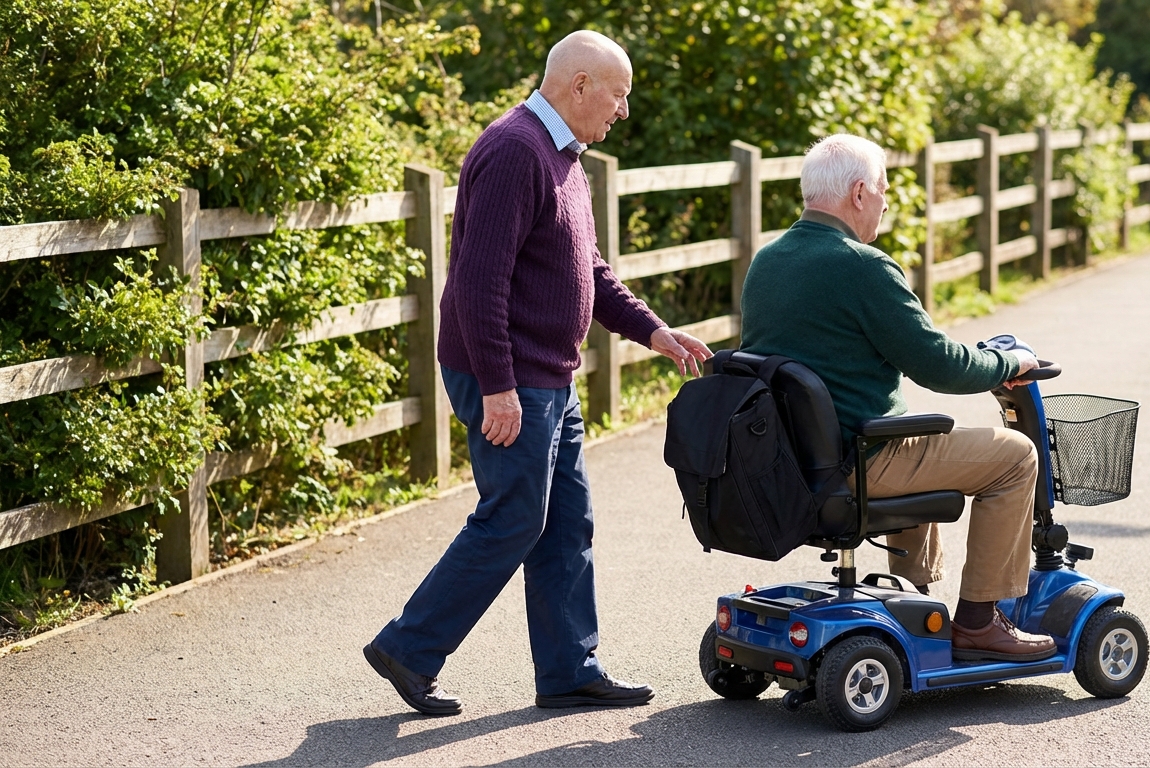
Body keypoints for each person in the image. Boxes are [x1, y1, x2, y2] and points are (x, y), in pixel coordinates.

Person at [364, 30, 713, 716]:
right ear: (579, 85)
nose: (622, 111)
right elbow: (477, 283)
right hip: (509, 377)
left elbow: (588, 270)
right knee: (515, 517)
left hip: (549, 376)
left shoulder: (563, 157)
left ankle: (567, 670)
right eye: (618, 95)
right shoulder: (513, 150)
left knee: (565, 523)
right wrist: (498, 386)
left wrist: (653, 330)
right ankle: (409, 647)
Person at [738, 134, 1056, 661]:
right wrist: (1008, 364)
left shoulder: (767, 262)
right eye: (884, 190)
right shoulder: (864, 267)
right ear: (860, 193)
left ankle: (914, 606)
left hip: (790, 461)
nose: (885, 203)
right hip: (857, 459)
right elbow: (942, 366)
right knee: (1016, 456)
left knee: (920, 434)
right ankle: (979, 621)